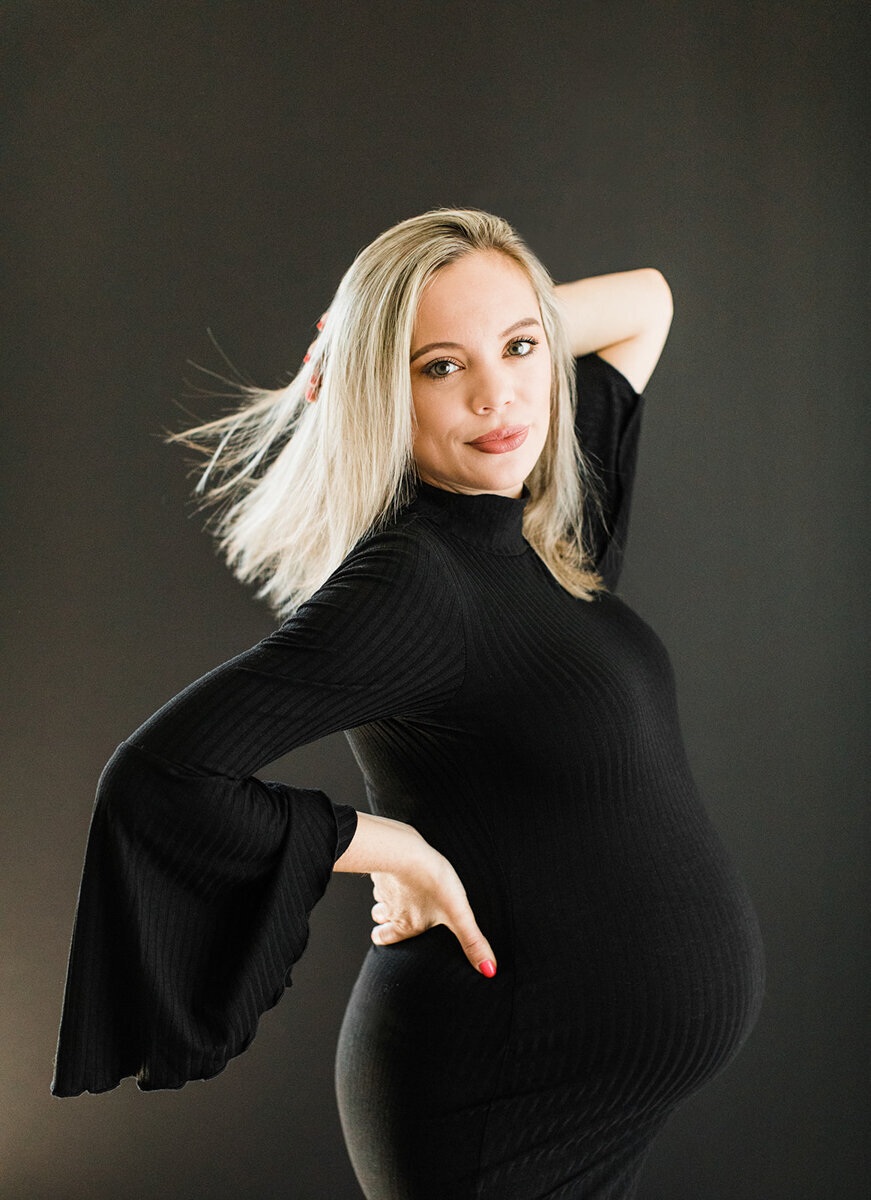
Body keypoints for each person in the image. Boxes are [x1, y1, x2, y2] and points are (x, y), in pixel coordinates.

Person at [52, 208, 765, 1199]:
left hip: (593, 1103)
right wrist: (397, 849)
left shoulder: (542, 532)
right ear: (386, 391)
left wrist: (479, 325)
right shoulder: (414, 578)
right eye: (440, 368)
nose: (497, 394)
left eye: (520, 349)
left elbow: (647, 302)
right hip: (497, 1098)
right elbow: (156, 781)